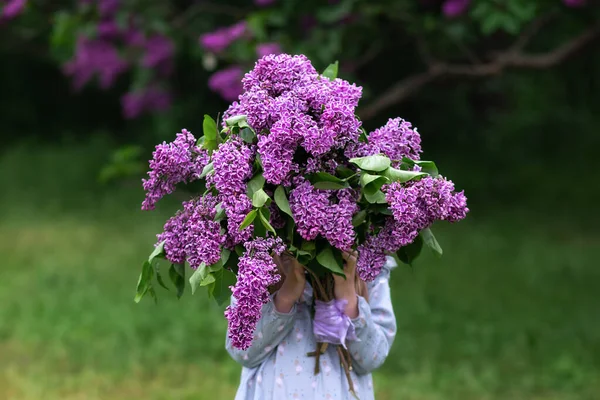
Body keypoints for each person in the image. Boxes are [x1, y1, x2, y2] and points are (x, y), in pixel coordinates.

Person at [226, 250, 397, 400]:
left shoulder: (367, 263)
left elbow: (372, 358)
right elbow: (242, 351)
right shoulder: (259, 262)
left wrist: (349, 301)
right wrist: (284, 298)